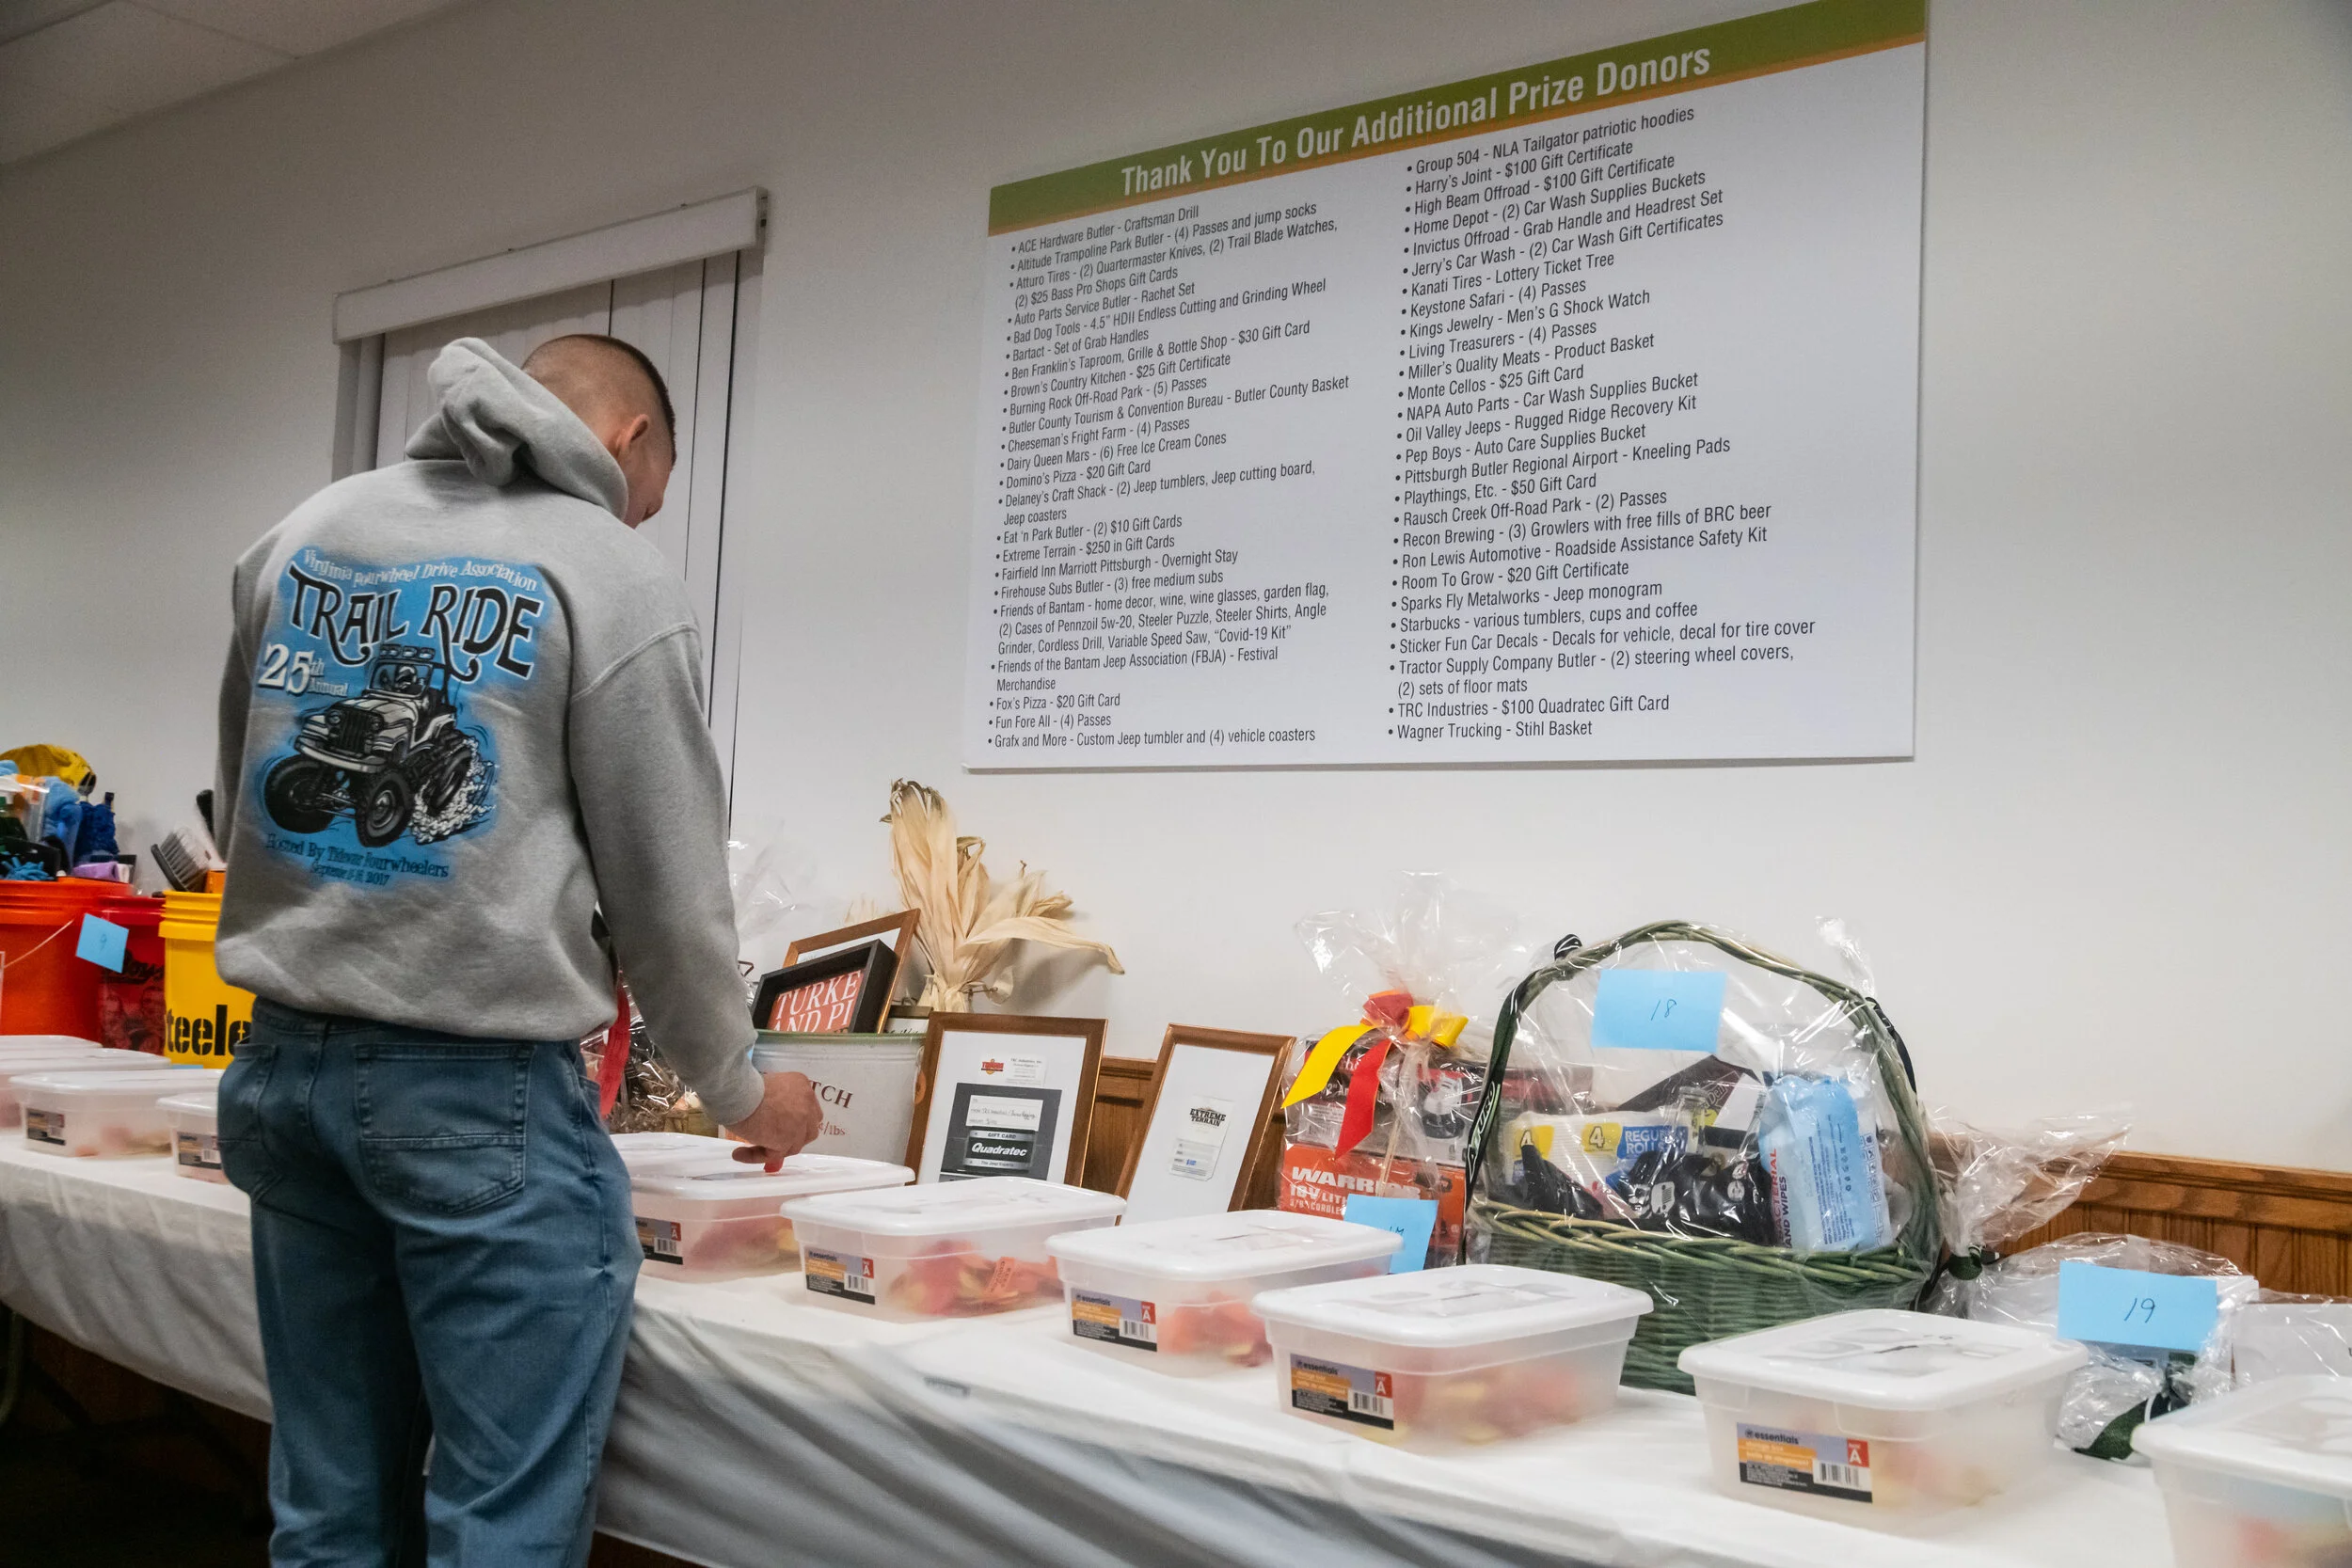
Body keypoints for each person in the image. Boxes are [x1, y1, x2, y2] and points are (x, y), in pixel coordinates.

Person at [211, 335, 821, 1566]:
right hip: (471, 1098)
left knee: (328, 1509)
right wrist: (743, 1089)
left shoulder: (303, 533)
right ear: (632, 442)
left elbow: (246, 804)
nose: (637, 518)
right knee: (499, 1524)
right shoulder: (605, 568)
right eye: (650, 496)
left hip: (281, 1072)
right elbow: (668, 886)